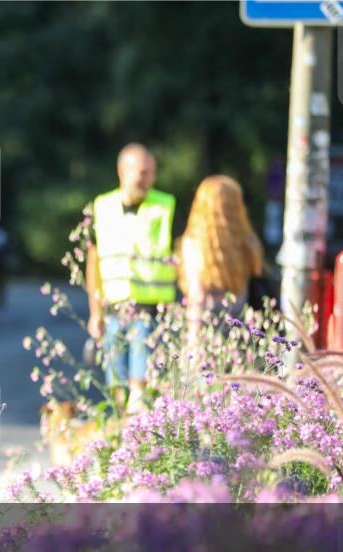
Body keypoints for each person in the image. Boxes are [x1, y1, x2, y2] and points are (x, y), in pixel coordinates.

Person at [85, 143, 176, 413]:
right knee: (116, 386)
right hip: (114, 312)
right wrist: (95, 312)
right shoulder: (102, 207)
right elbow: (94, 263)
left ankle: (134, 436)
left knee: (140, 389)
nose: (149, 179)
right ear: (122, 172)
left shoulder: (165, 206)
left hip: (149, 312)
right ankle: (120, 439)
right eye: (143, 173)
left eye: (152, 173)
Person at [176, 175, 264, 345]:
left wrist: (193, 340)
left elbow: (197, 295)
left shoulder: (194, 243)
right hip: (242, 327)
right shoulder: (249, 242)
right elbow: (256, 274)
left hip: (207, 326)